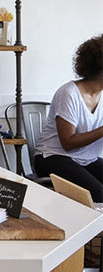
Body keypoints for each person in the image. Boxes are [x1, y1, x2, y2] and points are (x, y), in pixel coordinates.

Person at [34, 33, 103, 202]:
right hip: (53, 158)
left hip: (87, 160)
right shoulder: (69, 93)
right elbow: (68, 143)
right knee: (100, 196)